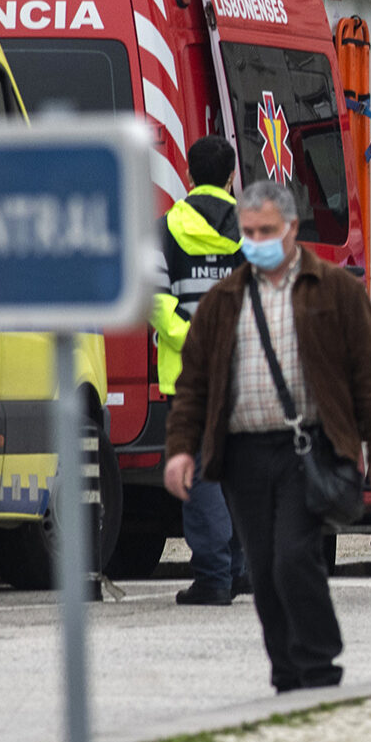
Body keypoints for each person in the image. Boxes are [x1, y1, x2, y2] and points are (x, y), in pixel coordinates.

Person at [164, 181, 371, 693]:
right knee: (263, 568)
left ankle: (319, 664)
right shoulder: (224, 300)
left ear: (292, 229)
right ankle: (287, 673)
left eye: (266, 231)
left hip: (305, 448)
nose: (256, 242)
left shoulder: (334, 290)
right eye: (248, 233)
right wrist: (181, 449)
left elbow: (369, 377)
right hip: (244, 455)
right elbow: (193, 385)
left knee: (294, 556)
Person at [152, 136, 250, 606]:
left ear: (189, 175)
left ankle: (214, 577)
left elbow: (155, 300)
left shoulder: (165, 228)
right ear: (231, 177)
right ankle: (239, 570)